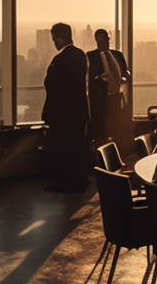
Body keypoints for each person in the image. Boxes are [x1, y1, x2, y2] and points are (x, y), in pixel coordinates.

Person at [41, 22, 89, 193]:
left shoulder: (61, 59)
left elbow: (50, 82)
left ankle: (68, 183)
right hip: (78, 112)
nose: (54, 42)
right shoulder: (80, 55)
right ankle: (78, 181)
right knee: (76, 149)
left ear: (60, 37)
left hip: (63, 114)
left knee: (63, 149)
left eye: (54, 38)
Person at [86, 28, 130, 147]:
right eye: (103, 38)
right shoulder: (90, 57)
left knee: (117, 125)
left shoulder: (117, 55)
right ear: (96, 39)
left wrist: (124, 78)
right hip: (100, 99)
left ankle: (118, 150)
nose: (106, 41)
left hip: (117, 96)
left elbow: (126, 71)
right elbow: (88, 79)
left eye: (107, 38)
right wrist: (101, 78)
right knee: (100, 128)